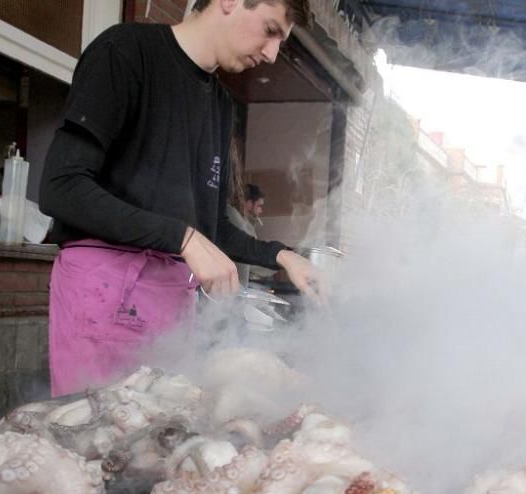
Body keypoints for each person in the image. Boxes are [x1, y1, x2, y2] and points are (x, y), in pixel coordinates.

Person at [39, 0, 323, 397]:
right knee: (92, 442)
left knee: (160, 443)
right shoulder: (125, 52)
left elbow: (210, 227)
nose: (272, 54)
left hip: (171, 299)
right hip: (105, 292)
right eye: (271, 30)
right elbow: (62, 186)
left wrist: (281, 255)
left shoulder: (220, 105)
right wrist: (183, 238)